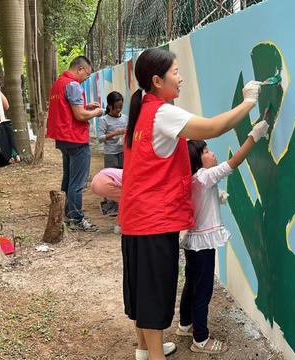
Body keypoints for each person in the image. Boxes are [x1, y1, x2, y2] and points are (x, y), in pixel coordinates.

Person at [118, 47, 262, 360]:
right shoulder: (162, 112)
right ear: (157, 80)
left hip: (135, 217)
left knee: (142, 288)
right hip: (154, 220)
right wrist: (249, 101)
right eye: (175, 73)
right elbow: (213, 127)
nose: (181, 79)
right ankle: (154, 356)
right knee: (156, 293)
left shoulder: (141, 107)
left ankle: (144, 349)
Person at [176, 120, 269, 354]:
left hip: (193, 243)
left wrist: (217, 197)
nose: (211, 153)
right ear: (198, 160)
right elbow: (234, 162)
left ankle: (185, 324)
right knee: (203, 290)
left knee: (192, 284)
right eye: (206, 151)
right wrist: (253, 137)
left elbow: (200, 200)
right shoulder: (204, 175)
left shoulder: (195, 179)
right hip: (202, 244)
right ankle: (201, 339)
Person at [46, 56, 104, 232]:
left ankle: (66, 213)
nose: (86, 78)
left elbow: (67, 108)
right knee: (77, 183)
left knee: (68, 177)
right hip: (75, 137)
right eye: (87, 74)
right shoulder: (73, 85)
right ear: (80, 69)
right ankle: (77, 219)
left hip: (63, 138)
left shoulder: (58, 83)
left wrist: (86, 105)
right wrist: (96, 112)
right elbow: (79, 115)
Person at [97, 91, 128, 216]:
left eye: (120, 107)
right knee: (111, 180)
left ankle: (123, 205)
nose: (118, 109)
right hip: (110, 153)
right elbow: (100, 138)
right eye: (116, 107)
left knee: (124, 178)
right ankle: (111, 207)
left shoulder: (125, 118)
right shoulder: (104, 120)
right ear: (110, 106)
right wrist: (115, 133)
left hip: (123, 152)